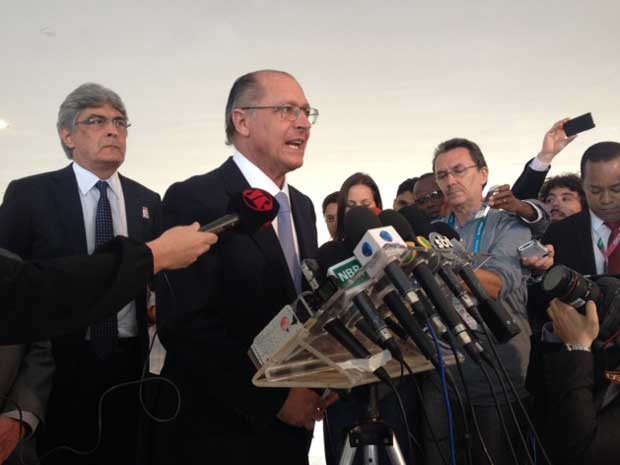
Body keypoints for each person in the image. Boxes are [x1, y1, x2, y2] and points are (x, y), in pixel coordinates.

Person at [151, 70, 335, 465]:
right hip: (218, 435)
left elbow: (301, 305)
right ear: (242, 120)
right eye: (287, 110)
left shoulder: (301, 206)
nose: (303, 123)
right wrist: (274, 400)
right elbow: (185, 325)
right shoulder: (195, 198)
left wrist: (324, 377)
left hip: (292, 434)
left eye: (306, 112)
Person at [0, 83, 162, 465]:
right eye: (97, 121)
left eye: (120, 122)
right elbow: (9, 292)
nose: (113, 130)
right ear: (67, 135)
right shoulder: (29, 195)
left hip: (131, 368)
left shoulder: (148, 202)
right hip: (53, 370)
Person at [425, 138, 533, 465]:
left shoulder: (509, 224)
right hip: (439, 378)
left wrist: (439, 267)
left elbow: (498, 284)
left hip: (497, 375)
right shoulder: (430, 233)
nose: (450, 181)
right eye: (442, 175)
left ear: (483, 173)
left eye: (459, 170)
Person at [0, 226, 217, 346]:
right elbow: (27, 290)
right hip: (63, 363)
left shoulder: (147, 199)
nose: (115, 140)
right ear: (68, 140)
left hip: (132, 360)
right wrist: (157, 254)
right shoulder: (29, 193)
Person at [541, 298, 620, 465]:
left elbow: (586, 453)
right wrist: (561, 336)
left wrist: (578, 346)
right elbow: (541, 397)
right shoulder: (611, 352)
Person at [512, 118, 578, 200]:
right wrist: (546, 156)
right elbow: (519, 202)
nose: (555, 204)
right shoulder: (545, 212)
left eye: (565, 199)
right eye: (549, 200)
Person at [334, 172, 382, 240]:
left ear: (377, 205)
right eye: (351, 205)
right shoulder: (332, 249)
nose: (359, 212)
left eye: (366, 204)